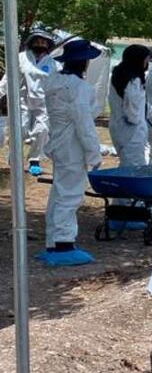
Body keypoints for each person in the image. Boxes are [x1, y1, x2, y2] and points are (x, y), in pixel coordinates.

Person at [35, 39, 102, 266]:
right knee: (70, 195)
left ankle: (53, 241)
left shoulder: (54, 82)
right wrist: (94, 154)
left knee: (59, 192)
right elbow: (84, 124)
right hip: (73, 146)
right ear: (84, 62)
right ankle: (64, 244)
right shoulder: (79, 88)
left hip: (58, 143)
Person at [0, 29, 56, 175]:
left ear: (48, 45)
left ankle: (34, 160)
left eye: (43, 42)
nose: (40, 44)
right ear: (31, 43)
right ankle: (14, 155)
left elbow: (58, 83)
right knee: (20, 129)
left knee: (42, 130)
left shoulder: (53, 63)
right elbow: (8, 78)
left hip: (43, 102)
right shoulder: (21, 58)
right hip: (23, 100)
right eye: (37, 41)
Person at [108, 44, 151, 167]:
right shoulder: (133, 80)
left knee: (127, 163)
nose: (147, 63)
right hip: (131, 131)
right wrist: (136, 123)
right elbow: (132, 107)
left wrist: (150, 111)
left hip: (119, 126)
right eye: (146, 60)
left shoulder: (119, 74)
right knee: (134, 167)